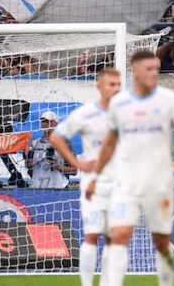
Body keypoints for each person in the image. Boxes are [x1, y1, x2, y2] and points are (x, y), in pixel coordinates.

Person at [89, 50, 174, 286]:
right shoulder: (119, 103)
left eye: (156, 70)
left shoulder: (168, 101)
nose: (154, 74)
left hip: (158, 181)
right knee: (119, 235)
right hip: (126, 180)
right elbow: (109, 143)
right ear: (134, 71)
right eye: (149, 69)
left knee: (161, 239)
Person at [50, 68, 122, 286]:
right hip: (93, 183)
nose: (117, 88)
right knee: (92, 235)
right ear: (99, 87)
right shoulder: (86, 113)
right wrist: (77, 163)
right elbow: (56, 136)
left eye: (119, 84)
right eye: (112, 84)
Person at [27, 110, 75, 189]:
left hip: (58, 188)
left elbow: (74, 171)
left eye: (49, 121)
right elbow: (29, 169)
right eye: (43, 121)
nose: (45, 124)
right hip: (38, 188)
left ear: (56, 124)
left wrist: (58, 167)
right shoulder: (34, 144)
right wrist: (36, 163)